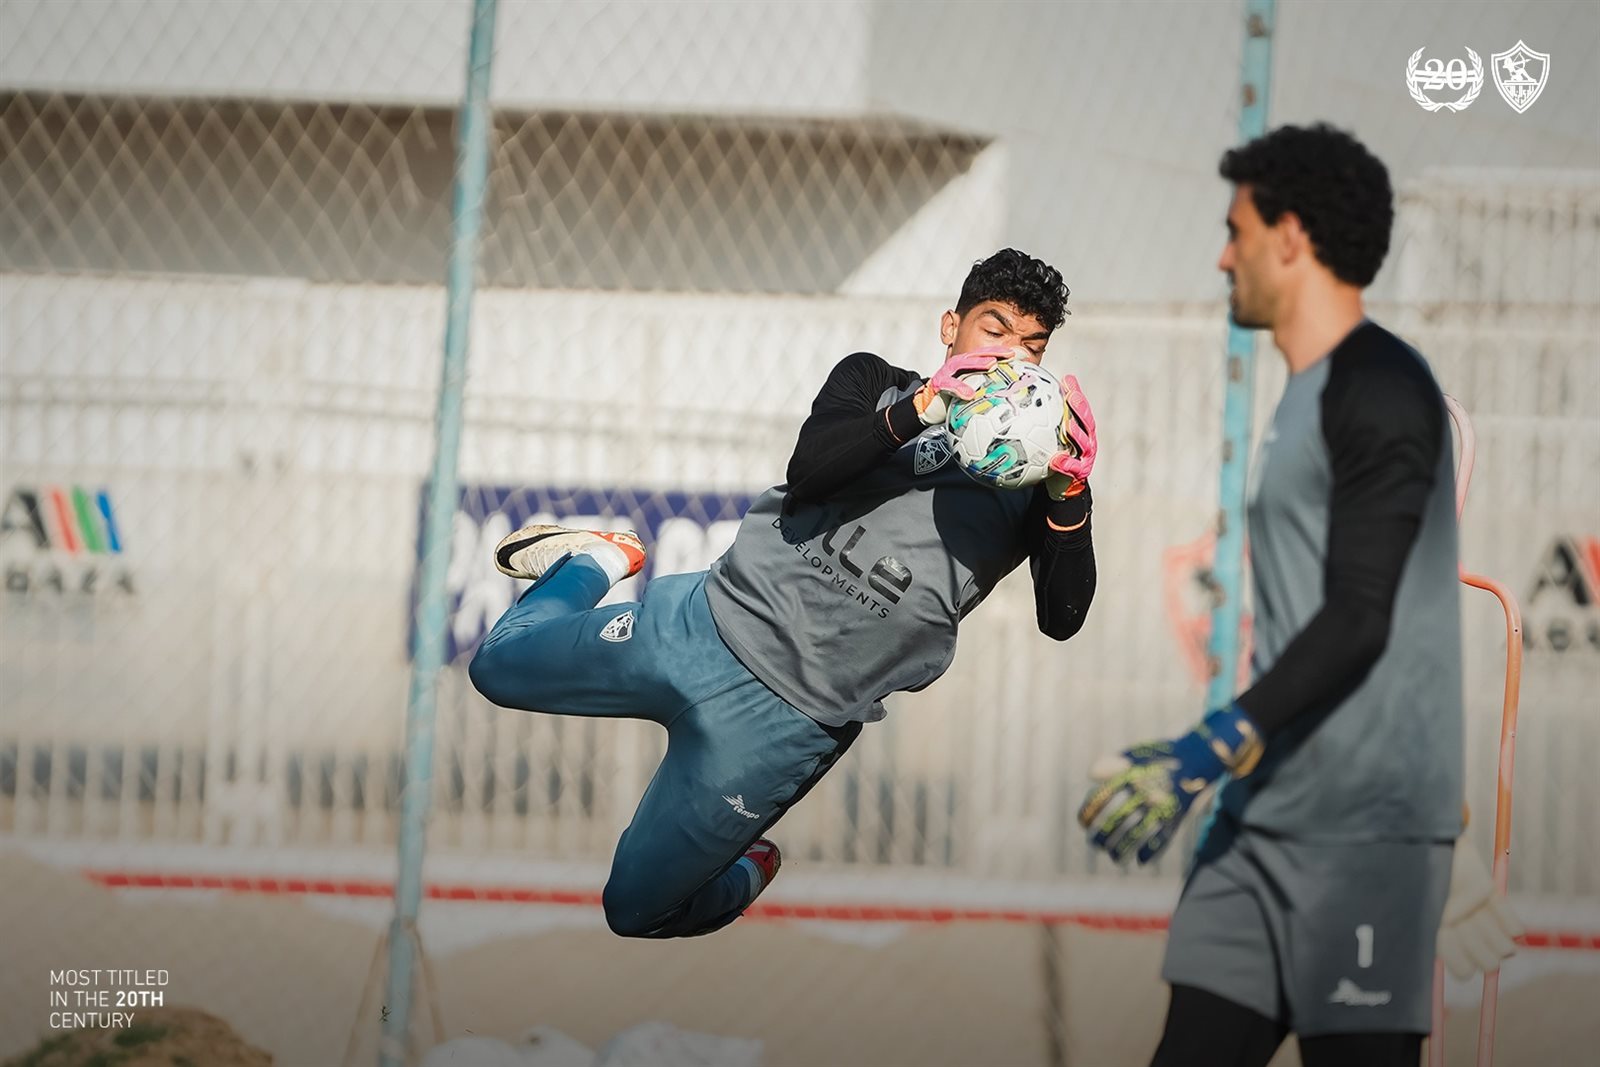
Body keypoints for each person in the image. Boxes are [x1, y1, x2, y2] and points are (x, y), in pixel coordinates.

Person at [470, 248, 1098, 939]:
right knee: (497, 666)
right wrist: (924, 408)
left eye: (1031, 347)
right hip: (702, 627)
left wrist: (1070, 496)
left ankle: (747, 866)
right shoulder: (876, 384)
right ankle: (597, 559)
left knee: (636, 910)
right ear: (951, 326)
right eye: (994, 330)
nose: (1010, 358)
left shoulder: (1038, 480)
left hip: (786, 723)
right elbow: (811, 473)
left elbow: (1063, 617)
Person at [1077, 123, 1507, 1067]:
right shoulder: (1306, 391)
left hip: (1363, 837)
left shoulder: (1383, 387)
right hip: (1261, 820)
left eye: (1235, 230)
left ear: (1291, 236)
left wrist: (1207, 745)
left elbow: (1365, 614)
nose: (1221, 256)